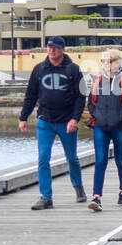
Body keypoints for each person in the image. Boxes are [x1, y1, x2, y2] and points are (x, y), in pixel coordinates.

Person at [19, 35, 86, 210]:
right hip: (45, 121)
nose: (51, 50)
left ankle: (78, 187)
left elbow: (81, 97)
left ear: (62, 49)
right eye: (49, 47)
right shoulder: (39, 69)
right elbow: (30, 95)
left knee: (72, 158)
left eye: (55, 47)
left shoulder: (73, 70)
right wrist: (23, 117)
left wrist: (74, 119)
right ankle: (46, 197)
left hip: (67, 122)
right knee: (43, 159)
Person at [85, 49, 122, 211]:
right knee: (100, 160)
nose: (105, 64)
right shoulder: (98, 81)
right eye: (103, 61)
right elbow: (90, 103)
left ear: (117, 62)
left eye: (108, 61)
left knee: (120, 160)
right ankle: (97, 197)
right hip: (101, 127)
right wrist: (97, 115)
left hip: (121, 128)